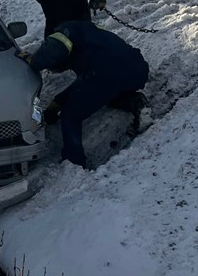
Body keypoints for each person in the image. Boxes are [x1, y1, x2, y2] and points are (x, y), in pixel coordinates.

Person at [22, 20, 149, 170]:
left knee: (70, 116)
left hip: (106, 74)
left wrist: (33, 61)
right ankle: (134, 102)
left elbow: (55, 53)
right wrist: (57, 102)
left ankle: (74, 162)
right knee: (107, 93)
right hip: (137, 69)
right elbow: (85, 82)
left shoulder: (61, 37)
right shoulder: (87, 34)